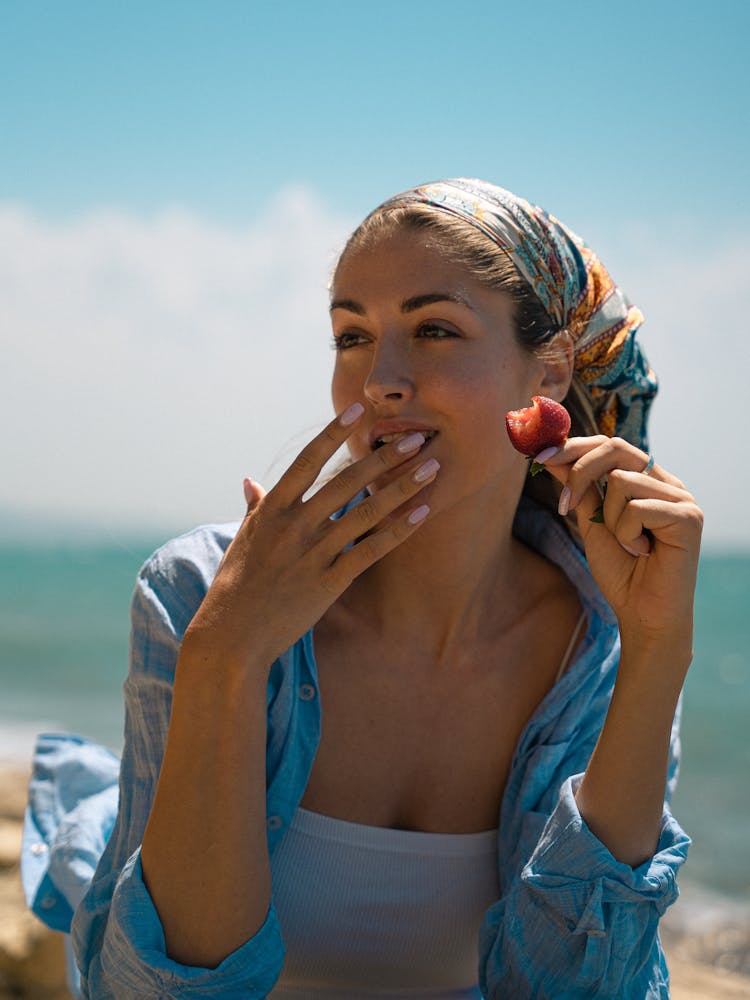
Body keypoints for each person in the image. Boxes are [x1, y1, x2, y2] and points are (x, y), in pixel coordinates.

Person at [22, 178, 701, 999]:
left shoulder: (598, 649)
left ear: (549, 373)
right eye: (350, 336)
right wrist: (225, 656)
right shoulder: (201, 591)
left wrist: (659, 649)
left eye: (435, 329)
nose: (379, 379)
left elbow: (580, 989)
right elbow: (145, 991)